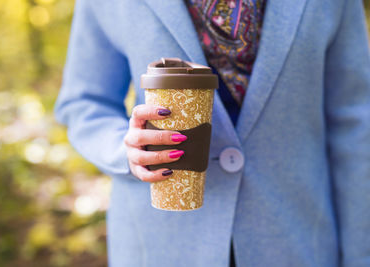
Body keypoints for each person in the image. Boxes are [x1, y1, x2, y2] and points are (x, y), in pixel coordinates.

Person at [54, 0, 370, 266]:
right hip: (161, 245)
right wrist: (124, 149)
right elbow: (84, 103)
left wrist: (361, 255)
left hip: (296, 240)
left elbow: (354, 122)